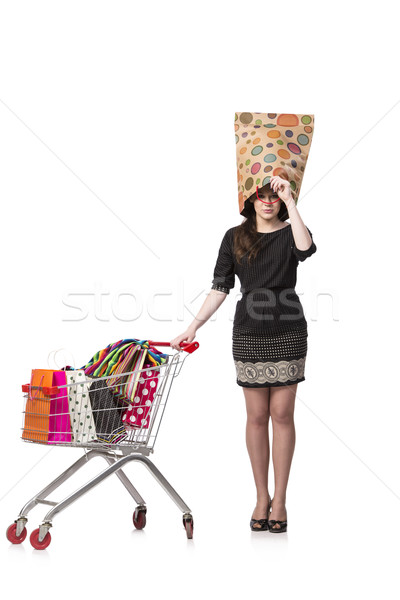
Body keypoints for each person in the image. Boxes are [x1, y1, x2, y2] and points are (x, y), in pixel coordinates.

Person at [170, 174, 317, 533]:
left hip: (288, 329)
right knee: (256, 416)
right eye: (262, 196)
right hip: (250, 331)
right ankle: (261, 497)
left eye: (275, 196)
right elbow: (220, 287)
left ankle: (280, 499)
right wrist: (193, 326)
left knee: (281, 414)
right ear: (249, 200)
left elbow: (305, 249)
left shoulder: (290, 228)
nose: (269, 201)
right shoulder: (234, 237)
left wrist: (293, 202)